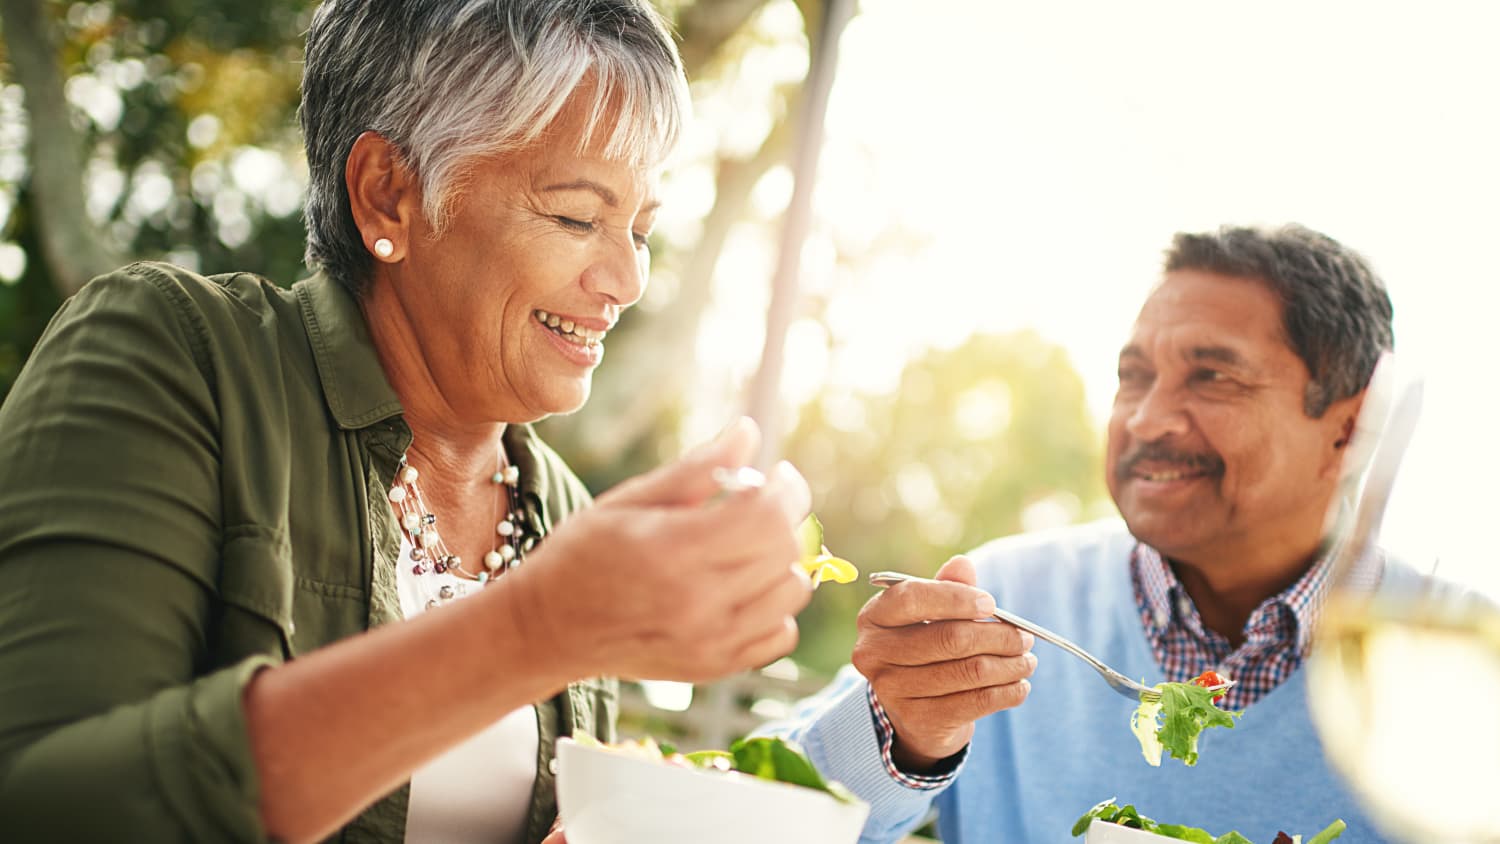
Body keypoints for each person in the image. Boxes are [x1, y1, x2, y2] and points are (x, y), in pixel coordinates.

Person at [0, 2, 815, 842]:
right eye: (577, 217)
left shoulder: (565, 512)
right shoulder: (179, 358)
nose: (627, 279)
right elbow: (44, 804)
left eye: (640, 228)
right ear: (388, 195)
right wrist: (534, 629)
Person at [766, 224, 1419, 843]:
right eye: (1133, 377)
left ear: (1349, 426)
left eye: (1212, 376)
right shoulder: (1001, 603)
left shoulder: (1463, 662)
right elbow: (756, 808)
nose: (1146, 419)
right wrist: (904, 734)